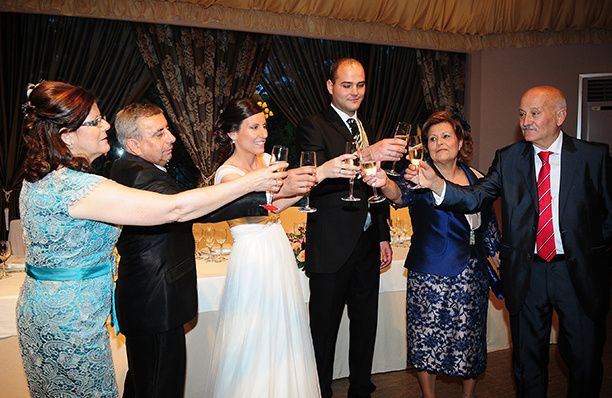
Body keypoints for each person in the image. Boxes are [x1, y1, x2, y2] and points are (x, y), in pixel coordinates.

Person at [16, 81, 285, 398]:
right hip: (69, 322)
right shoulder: (74, 187)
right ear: (66, 135)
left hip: (60, 310)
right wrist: (250, 182)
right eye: (95, 121)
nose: (106, 126)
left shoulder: (49, 176)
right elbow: (176, 207)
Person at [408, 86, 611, 398]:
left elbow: (608, 218)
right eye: (521, 114)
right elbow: (476, 197)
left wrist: (599, 266)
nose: (525, 120)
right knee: (527, 363)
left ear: (560, 116)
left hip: (577, 274)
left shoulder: (593, 157)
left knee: (583, 360)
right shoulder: (508, 159)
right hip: (527, 274)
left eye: (534, 113)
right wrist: (437, 184)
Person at [110, 103, 301, 398]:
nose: (171, 137)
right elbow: (196, 210)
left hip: (151, 299)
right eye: (159, 133)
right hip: (155, 301)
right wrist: (258, 190)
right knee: (161, 386)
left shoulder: (139, 169)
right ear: (134, 144)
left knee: (145, 381)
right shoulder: (140, 176)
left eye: (168, 129)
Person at [205, 98, 358, 397]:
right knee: (256, 338)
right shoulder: (228, 175)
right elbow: (261, 206)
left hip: (275, 251)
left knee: (284, 336)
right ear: (233, 133)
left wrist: (306, 183)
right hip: (253, 261)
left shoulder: (266, 163)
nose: (263, 133)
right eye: (254, 127)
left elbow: (274, 208)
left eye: (264, 125)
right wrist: (321, 172)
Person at [362, 111, 500, 398]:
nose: (439, 143)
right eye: (432, 139)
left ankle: (468, 395)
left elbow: (488, 228)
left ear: (461, 142)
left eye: (446, 136)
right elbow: (398, 194)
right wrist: (381, 180)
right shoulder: (419, 175)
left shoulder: (477, 178)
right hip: (429, 275)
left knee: (470, 340)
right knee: (426, 340)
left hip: (472, 276)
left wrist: (499, 261)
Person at [296, 57, 402, 398]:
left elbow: (377, 185)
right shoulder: (313, 125)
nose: (354, 91)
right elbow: (311, 182)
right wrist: (370, 151)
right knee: (323, 330)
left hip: (367, 243)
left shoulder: (365, 124)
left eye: (360, 85)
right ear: (330, 87)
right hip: (331, 246)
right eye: (346, 84)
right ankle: (320, 390)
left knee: (365, 325)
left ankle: (361, 389)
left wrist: (383, 235)